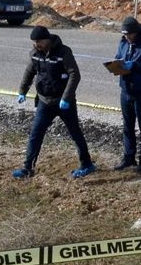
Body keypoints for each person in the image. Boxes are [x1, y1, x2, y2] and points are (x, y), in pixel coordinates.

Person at [12, 26, 96, 180]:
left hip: (64, 103)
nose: (36, 45)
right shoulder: (35, 54)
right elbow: (29, 72)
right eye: (34, 42)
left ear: (47, 39)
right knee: (35, 134)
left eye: (39, 42)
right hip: (45, 102)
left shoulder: (64, 52)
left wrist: (66, 97)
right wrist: (22, 91)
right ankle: (27, 168)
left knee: (75, 133)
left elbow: (74, 74)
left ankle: (87, 164)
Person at [108, 16, 141, 173]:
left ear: (136, 32)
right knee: (127, 126)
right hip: (126, 90)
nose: (127, 37)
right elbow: (119, 57)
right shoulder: (124, 43)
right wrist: (116, 66)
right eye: (124, 34)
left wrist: (134, 66)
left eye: (129, 34)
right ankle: (128, 158)